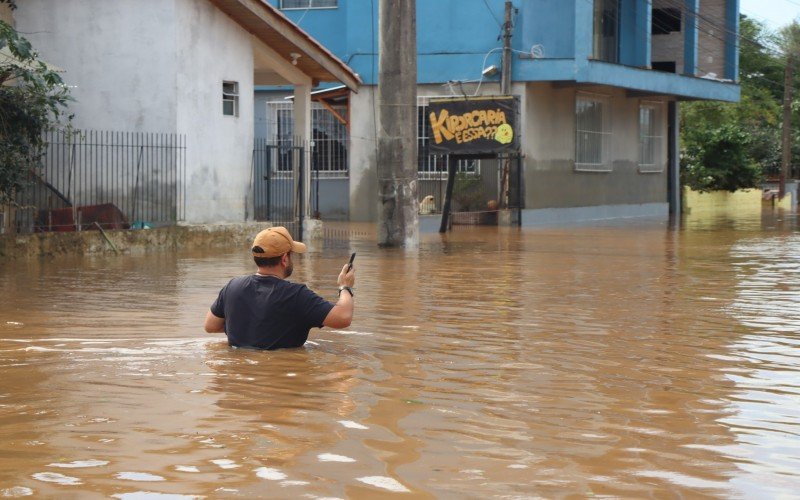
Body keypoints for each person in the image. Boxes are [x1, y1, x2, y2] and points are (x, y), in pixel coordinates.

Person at [204, 226, 355, 350]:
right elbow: (343, 317)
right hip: (282, 377)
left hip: (238, 374)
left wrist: (244, 326)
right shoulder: (297, 295)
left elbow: (210, 326)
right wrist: (345, 287)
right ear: (284, 259)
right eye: (291, 255)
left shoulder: (232, 287)